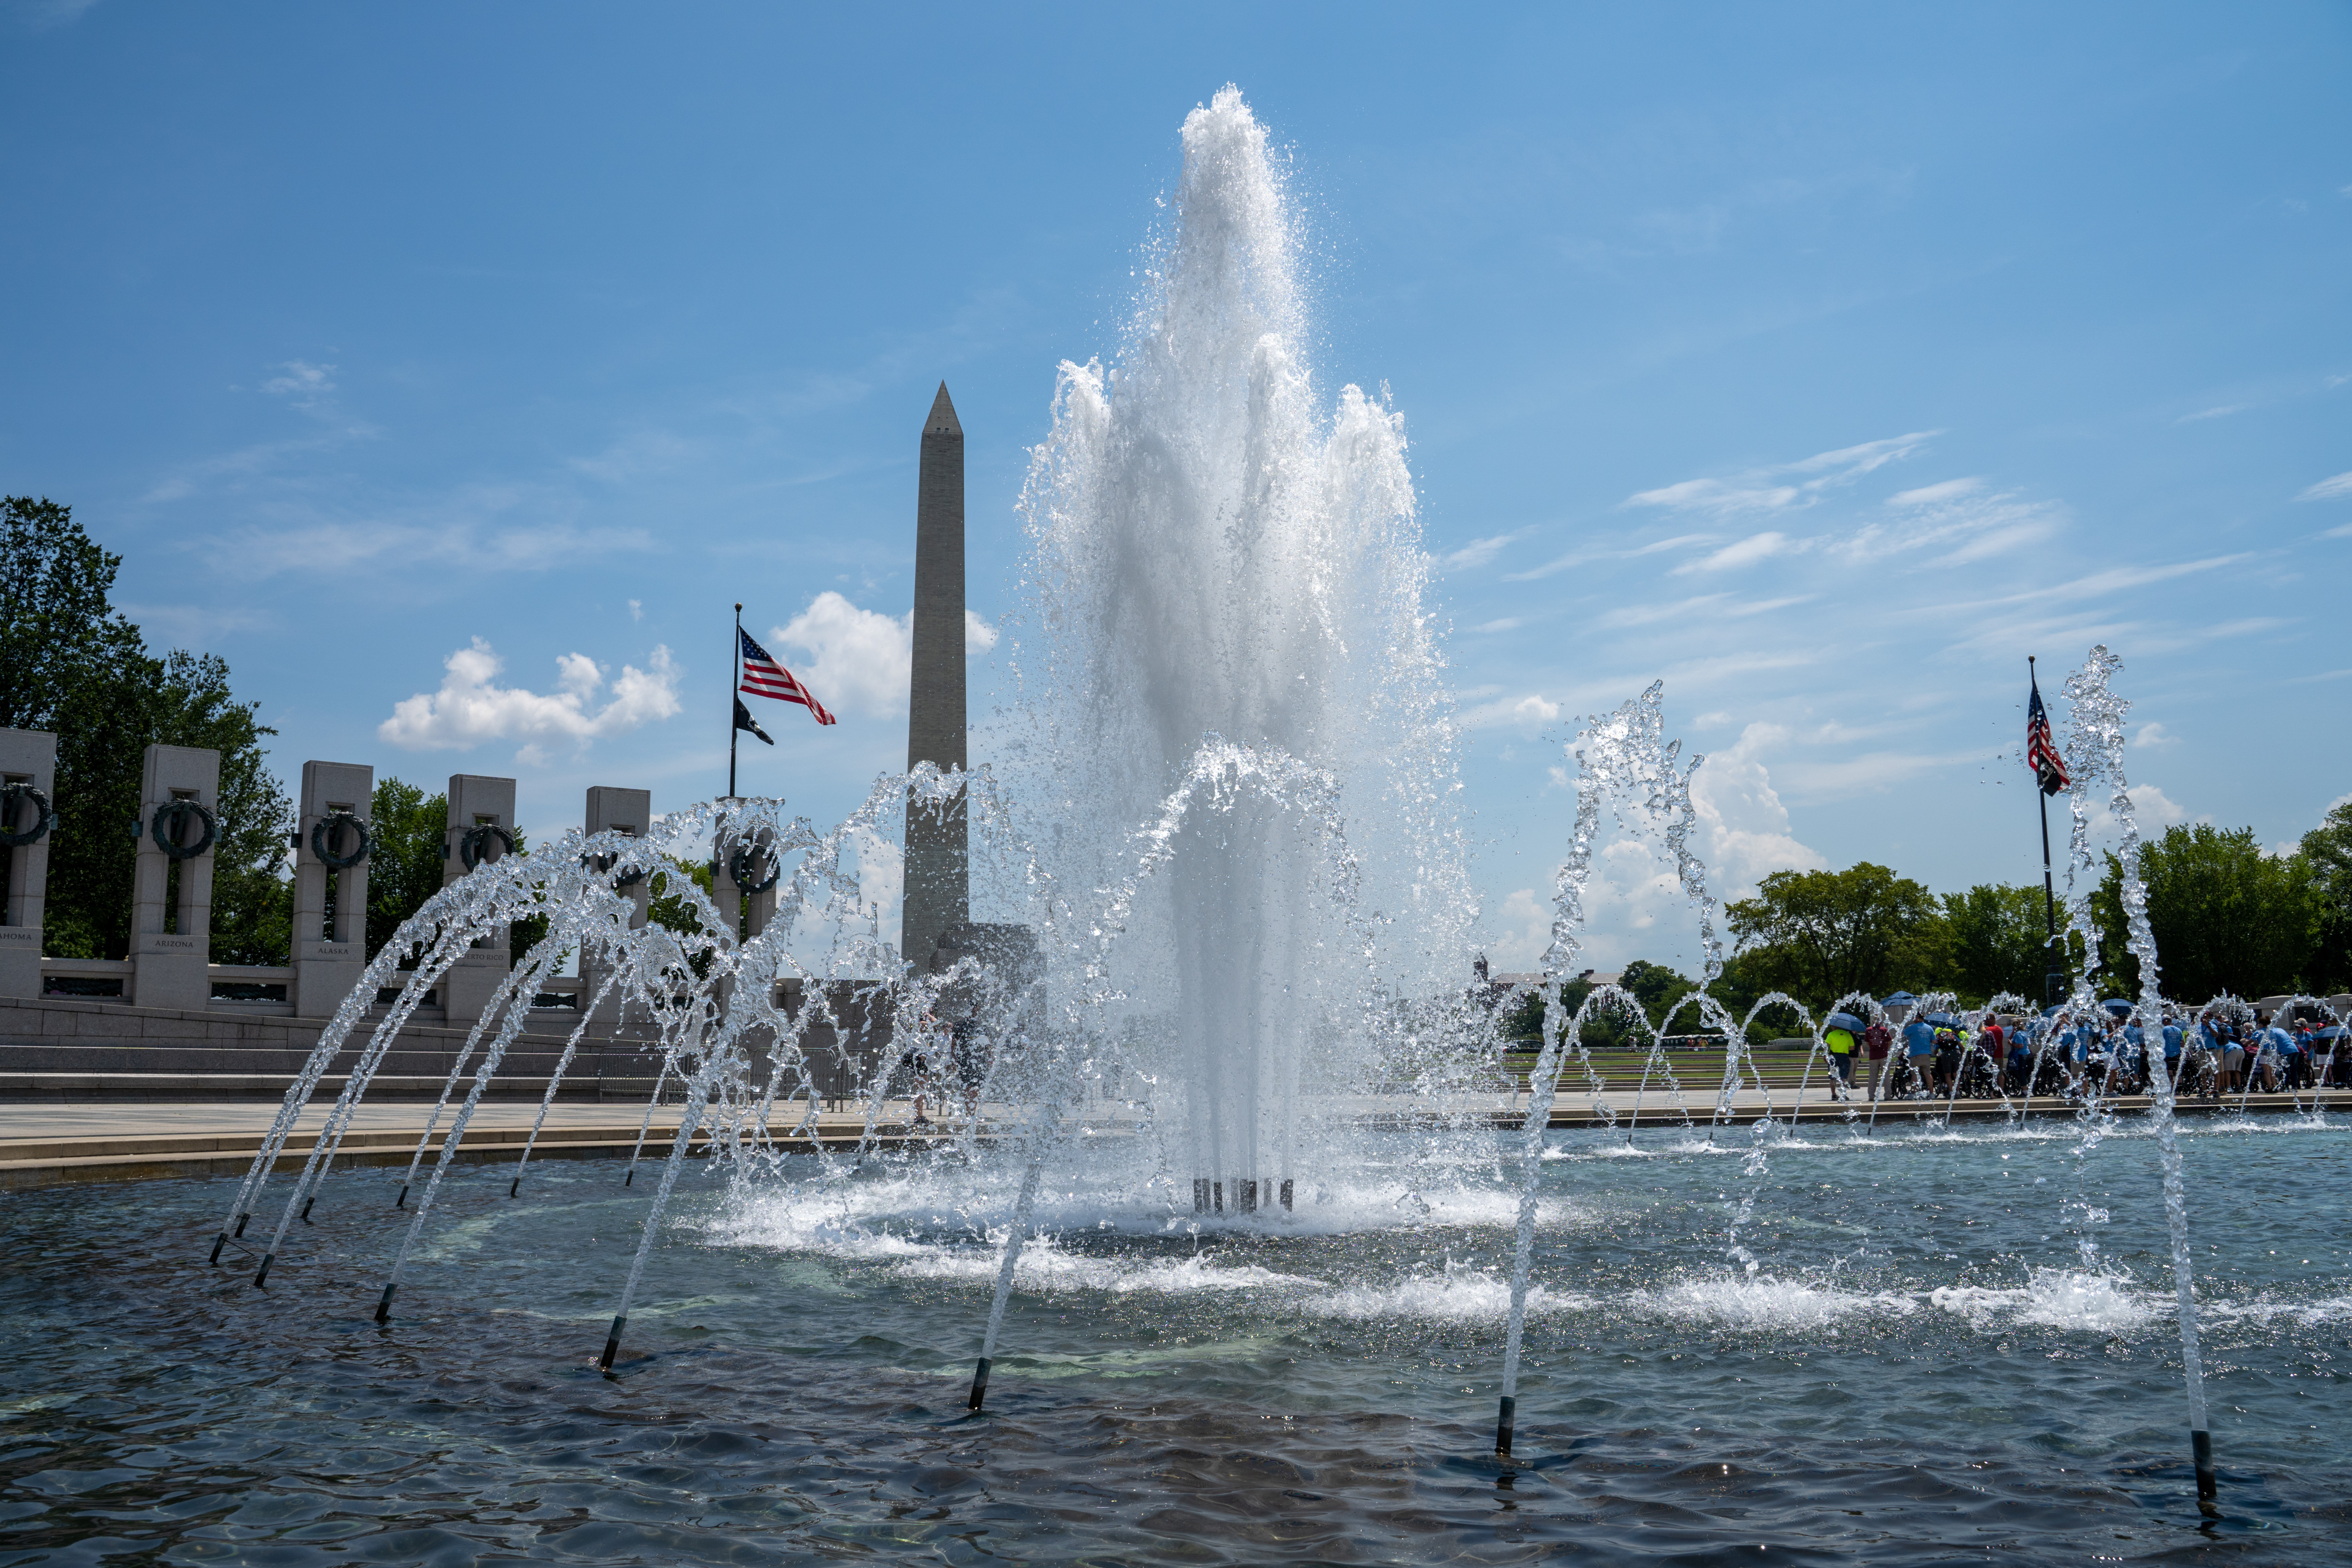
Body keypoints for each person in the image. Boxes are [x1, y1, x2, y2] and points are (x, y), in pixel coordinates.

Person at [1902, 1013, 1936, 1098]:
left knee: (1914, 1074)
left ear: (1917, 1018)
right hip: (1927, 1054)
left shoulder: (1913, 1027)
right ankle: (1932, 1094)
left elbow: (1903, 1034)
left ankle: (1913, 1093)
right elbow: (1935, 1041)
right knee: (1928, 1074)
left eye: (1914, 1017)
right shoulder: (1929, 1028)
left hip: (1916, 1054)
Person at [1862, 1018, 1893, 1100]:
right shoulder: (1884, 1030)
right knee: (1886, 1076)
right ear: (1881, 1021)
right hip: (1884, 1055)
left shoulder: (1868, 1030)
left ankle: (1871, 1096)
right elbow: (1890, 1043)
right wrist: (1885, 1049)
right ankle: (1888, 1096)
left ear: (1873, 1021)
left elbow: (1868, 1043)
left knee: (1873, 1077)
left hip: (1873, 1056)